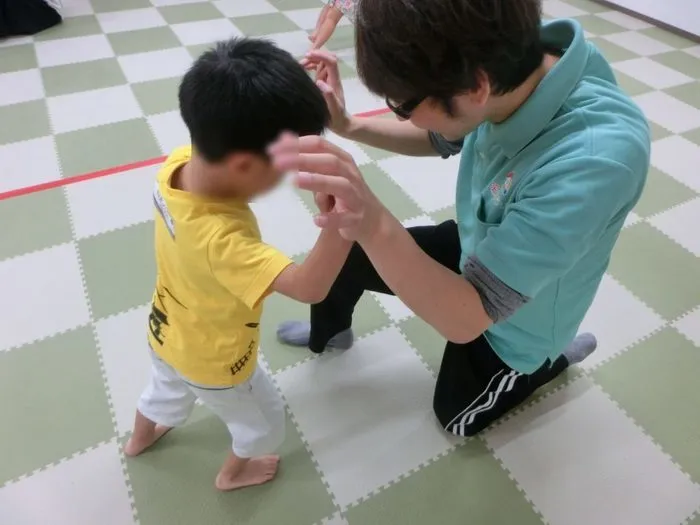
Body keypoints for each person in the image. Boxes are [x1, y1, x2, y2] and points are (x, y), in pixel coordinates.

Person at [274, 0, 651, 438]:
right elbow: (441, 134)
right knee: (349, 253)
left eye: (403, 104)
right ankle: (330, 334)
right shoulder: (513, 64)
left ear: (476, 89)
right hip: (485, 240)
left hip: (521, 316)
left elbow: (467, 318)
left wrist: (374, 222)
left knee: (455, 418)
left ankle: (551, 360)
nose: (402, 114)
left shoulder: (594, 161)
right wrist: (350, 125)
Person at [123, 38, 351, 491]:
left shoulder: (177, 165)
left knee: (161, 390)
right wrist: (341, 219)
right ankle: (233, 473)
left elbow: (243, 123)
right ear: (247, 166)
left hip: (166, 331)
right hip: (216, 360)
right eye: (283, 168)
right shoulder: (223, 241)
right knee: (263, 423)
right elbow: (310, 287)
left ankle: (139, 440)